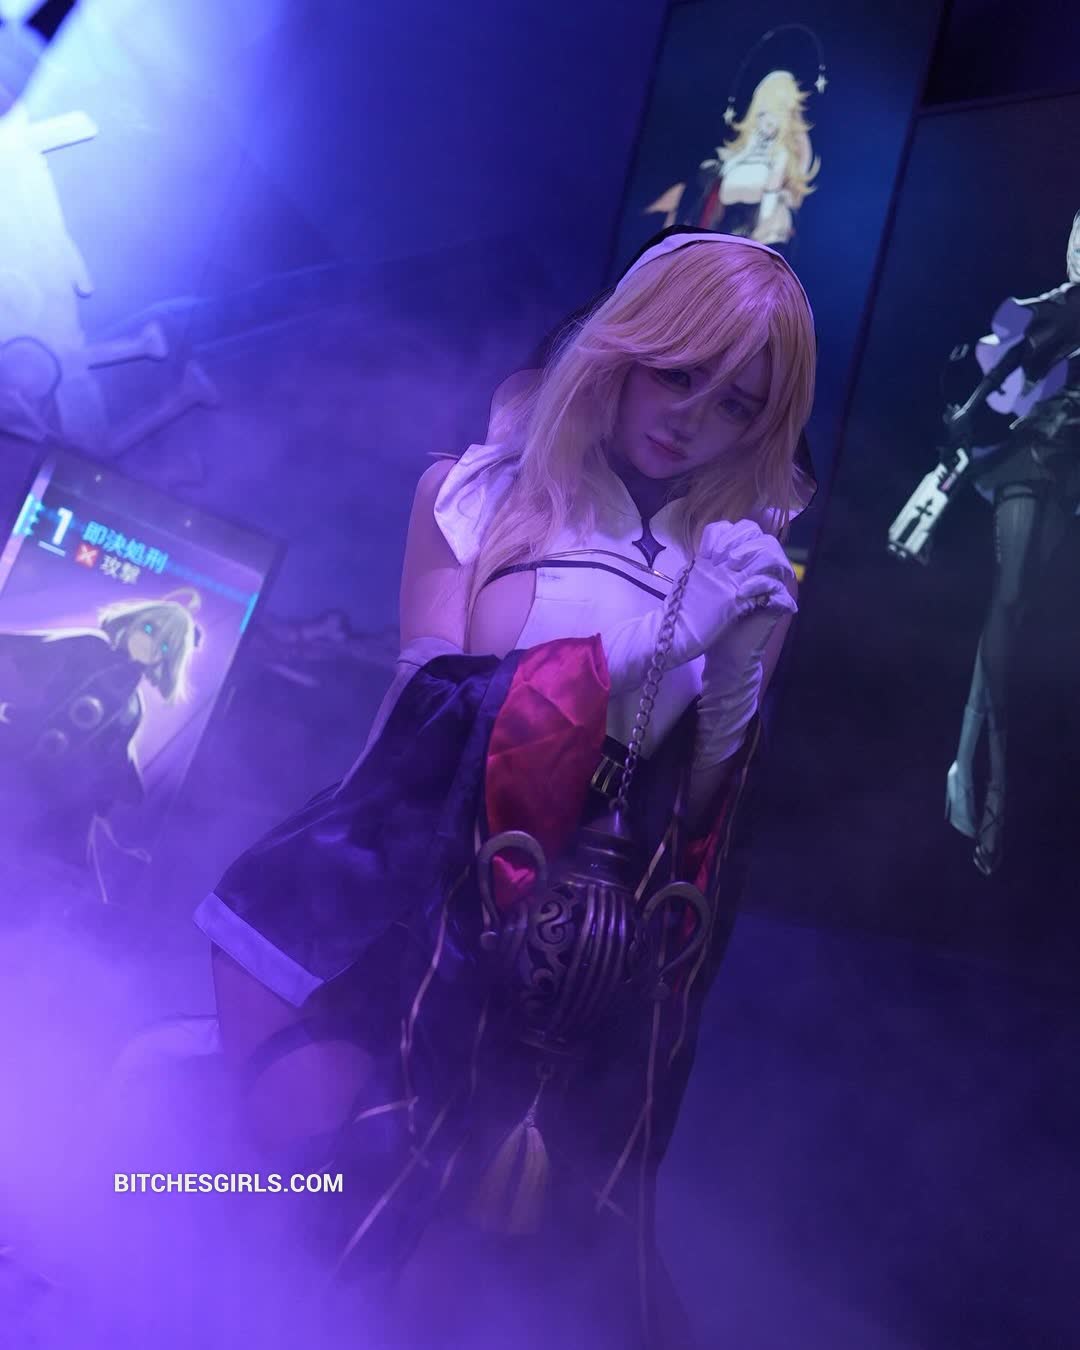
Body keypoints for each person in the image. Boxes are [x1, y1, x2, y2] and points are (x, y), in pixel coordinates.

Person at [195, 227, 817, 1347]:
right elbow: (431, 718)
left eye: (735, 405)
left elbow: (700, 822)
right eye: (677, 374)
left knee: (508, 1296)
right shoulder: (475, 495)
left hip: (571, 972)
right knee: (292, 1228)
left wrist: (732, 666)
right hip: (411, 904)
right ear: (624, 346)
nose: (691, 419)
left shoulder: (735, 560)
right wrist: (665, 640)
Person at [942, 210, 1080, 875]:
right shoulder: (1059, 305)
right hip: (1030, 462)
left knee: (1014, 610)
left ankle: (966, 767)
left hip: (1068, 474)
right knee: (1011, 597)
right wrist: (967, 419)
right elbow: (1004, 368)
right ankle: (994, 783)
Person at [0, 595, 201, 867]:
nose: (150, 643)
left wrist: (117, 790)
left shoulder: (132, 708)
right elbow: (23, 654)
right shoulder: (89, 646)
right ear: (133, 622)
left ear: (165, 660)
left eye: (163, 646)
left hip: (43, 792)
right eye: (149, 628)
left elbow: (114, 760)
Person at [697, 70, 821, 248]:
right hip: (725, 226)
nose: (768, 120)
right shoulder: (748, 145)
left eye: (777, 112)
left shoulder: (782, 155)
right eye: (763, 113)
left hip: (755, 230)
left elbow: (781, 191)